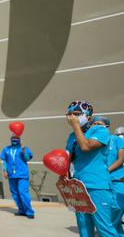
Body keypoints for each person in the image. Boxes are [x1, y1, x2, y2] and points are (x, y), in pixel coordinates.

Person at [65, 100, 119, 237]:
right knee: (84, 229)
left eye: (77, 114)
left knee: (104, 229)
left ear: (88, 117)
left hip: (97, 186)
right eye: (70, 114)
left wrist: (76, 126)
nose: (72, 117)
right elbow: (67, 159)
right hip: (79, 187)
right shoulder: (72, 136)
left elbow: (86, 146)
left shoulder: (100, 130)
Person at [0, 134, 35, 219]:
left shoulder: (24, 148)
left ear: (19, 139)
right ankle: (21, 210)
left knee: (23, 192)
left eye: (16, 138)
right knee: (15, 193)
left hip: (22, 174)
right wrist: (4, 170)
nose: (14, 140)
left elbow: (27, 158)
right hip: (11, 174)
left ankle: (29, 212)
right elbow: (4, 160)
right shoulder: (6, 149)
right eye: (13, 138)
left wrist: (23, 151)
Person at [107, 125, 124, 234]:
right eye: (119, 135)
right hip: (116, 180)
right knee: (115, 213)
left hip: (119, 183)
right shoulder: (113, 146)